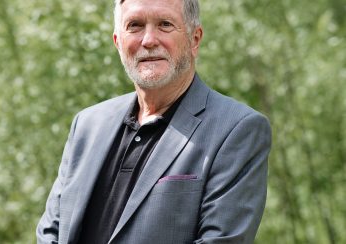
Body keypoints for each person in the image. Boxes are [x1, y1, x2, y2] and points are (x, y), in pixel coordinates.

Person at [36, 0, 272, 243]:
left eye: (165, 25)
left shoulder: (236, 130)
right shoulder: (87, 125)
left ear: (195, 39)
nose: (148, 40)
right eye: (135, 25)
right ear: (118, 42)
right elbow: (51, 231)